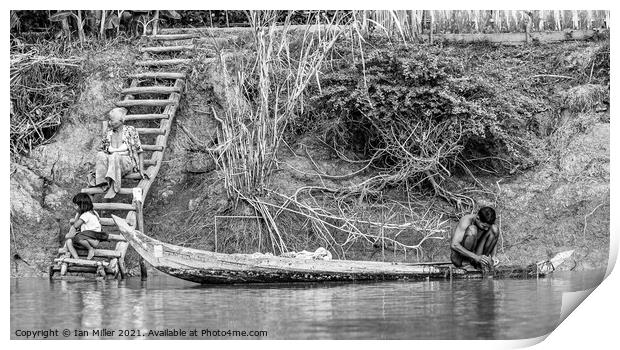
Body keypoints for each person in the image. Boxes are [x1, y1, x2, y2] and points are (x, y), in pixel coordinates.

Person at [90, 107, 148, 198]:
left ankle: (115, 187)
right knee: (100, 154)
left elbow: (139, 150)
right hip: (111, 165)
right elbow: (102, 151)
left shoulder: (130, 130)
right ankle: (104, 184)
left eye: (112, 120)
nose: (109, 123)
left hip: (126, 163)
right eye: (109, 120)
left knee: (115, 156)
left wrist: (141, 169)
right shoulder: (108, 133)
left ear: (121, 120)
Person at [64, 193, 109, 260]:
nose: (74, 207)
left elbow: (76, 225)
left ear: (82, 206)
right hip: (89, 236)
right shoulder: (93, 212)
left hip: (92, 235)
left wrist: (78, 214)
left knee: (74, 237)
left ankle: (90, 249)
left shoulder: (85, 215)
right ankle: (76, 258)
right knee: (69, 241)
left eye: (76, 205)